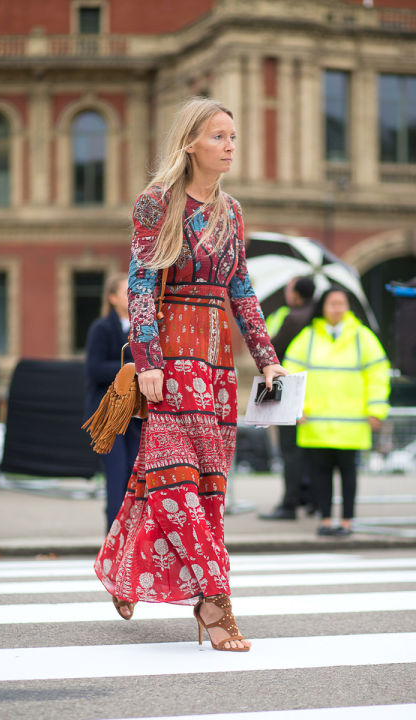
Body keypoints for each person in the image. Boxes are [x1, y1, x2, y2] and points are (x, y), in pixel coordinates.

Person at [94, 96, 287, 651]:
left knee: (199, 491)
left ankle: (119, 564)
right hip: (170, 367)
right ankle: (215, 603)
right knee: (173, 487)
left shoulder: (233, 212)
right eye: (219, 136)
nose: (230, 145)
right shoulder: (156, 204)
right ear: (190, 143)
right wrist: (148, 362)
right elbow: (140, 287)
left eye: (233, 135)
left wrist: (268, 356)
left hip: (218, 368)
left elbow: (242, 291)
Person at [283, 287, 390, 536]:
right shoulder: (307, 337)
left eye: (341, 303)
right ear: (322, 307)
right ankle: (326, 519)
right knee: (320, 475)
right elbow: (290, 374)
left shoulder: (363, 337)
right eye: (332, 303)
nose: (337, 308)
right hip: (315, 423)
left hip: (352, 423)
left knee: (348, 474)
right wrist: (295, 409)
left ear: (348, 307)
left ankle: (347, 520)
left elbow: (378, 374)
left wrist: (376, 409)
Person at [85, 274, 142, 533]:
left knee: (134, 471)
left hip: (136, 412)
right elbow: (94, 369)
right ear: (112, 298)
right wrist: (132, 368)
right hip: (109, 414)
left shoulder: (142, 328)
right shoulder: (102, 328)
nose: (132, 295)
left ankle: (133, 534)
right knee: (117, 474)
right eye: (125, 291)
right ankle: (114, 535)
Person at [259, 276, 316, 520]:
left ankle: (289, 503)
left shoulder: (293, 318)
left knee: (289, 449)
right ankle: (311, 499)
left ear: (296, 294)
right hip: (316, 391)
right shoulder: (316, 318)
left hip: (290, 388)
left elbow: (272, 350)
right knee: (312, 450)